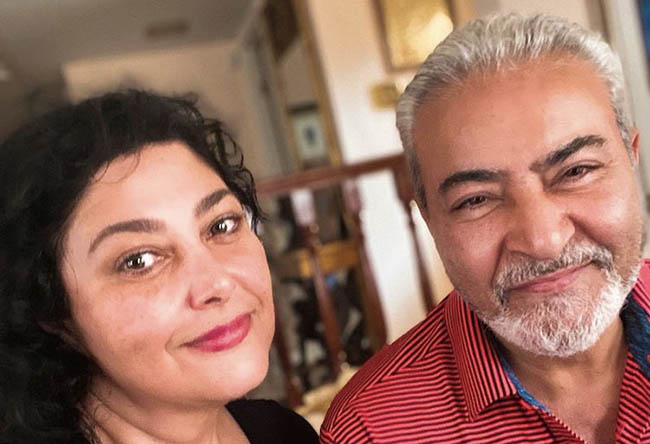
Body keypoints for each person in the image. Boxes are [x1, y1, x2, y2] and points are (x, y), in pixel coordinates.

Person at [321, 13, 650, 444]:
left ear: (631, 158)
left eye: (577, 171)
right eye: (476, 200)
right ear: (429, 218)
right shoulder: (372, 431)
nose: (543, 241)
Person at [0, 90, 319, 444]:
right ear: (52, 312)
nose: (218, 283)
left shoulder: (282, 431)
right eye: (139, 261)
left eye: (221, 225)